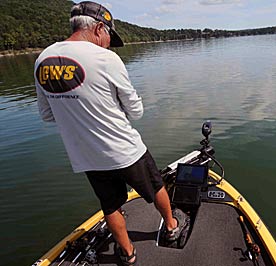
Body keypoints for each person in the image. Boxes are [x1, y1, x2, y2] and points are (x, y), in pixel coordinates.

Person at [34, 1, 185, 265]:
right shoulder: (105, 58)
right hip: (125, 150)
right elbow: (135, 111)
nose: (107, 44)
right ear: (99, 29)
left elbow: (47, 115)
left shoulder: (42, 60)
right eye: (108, 38)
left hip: (87, 157)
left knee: (110, 205)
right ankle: (172, 226)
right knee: (156, 185)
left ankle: (127, 254)